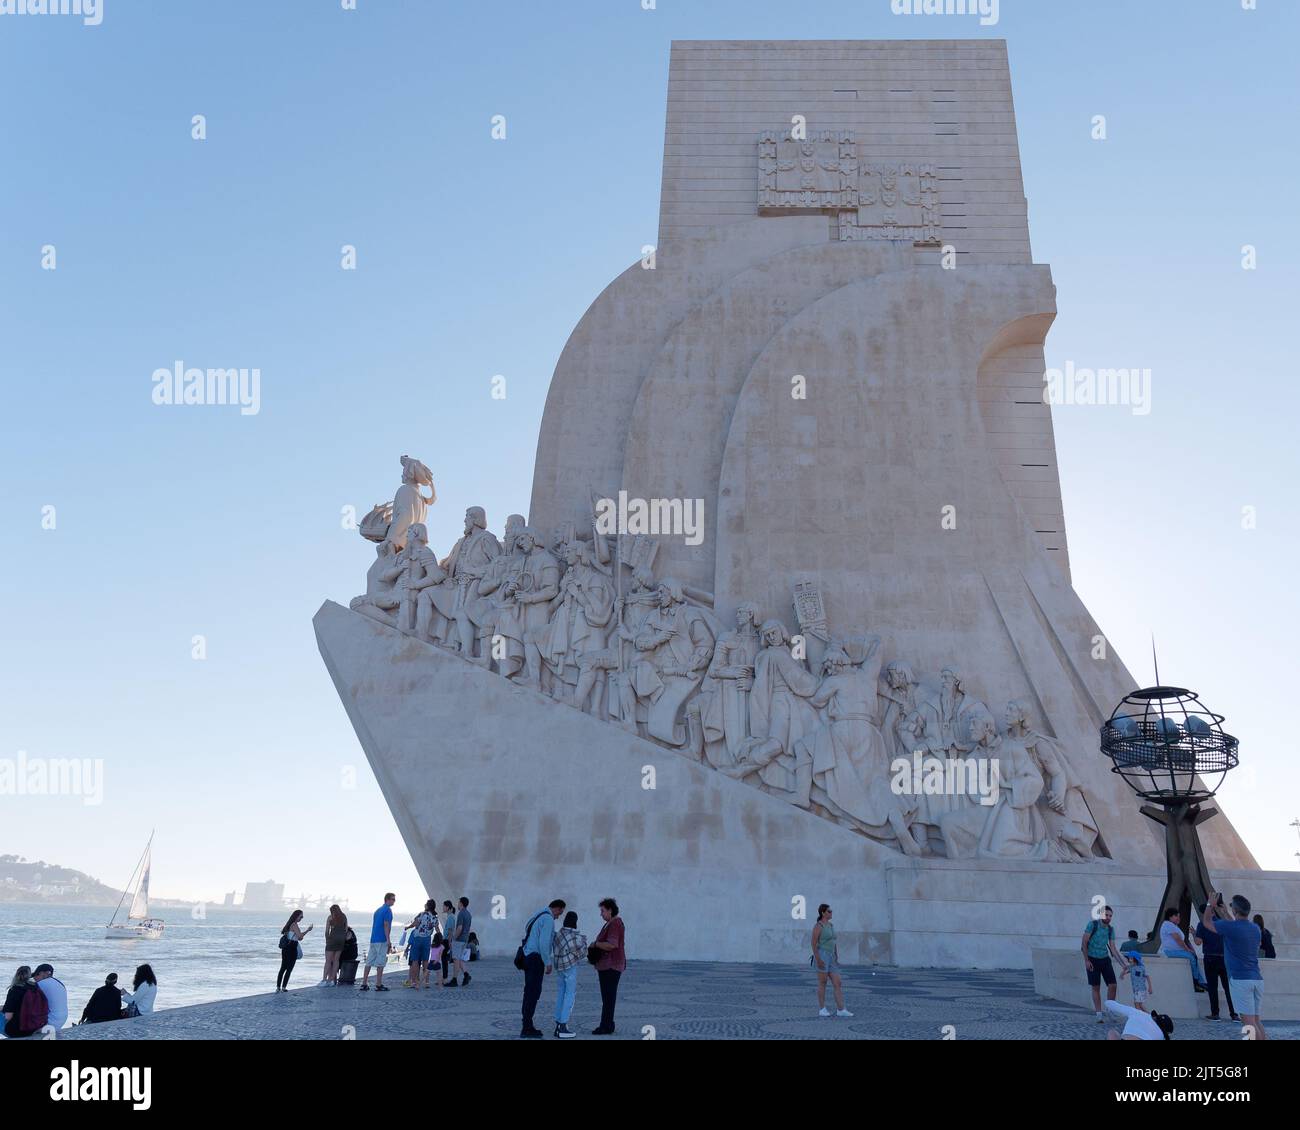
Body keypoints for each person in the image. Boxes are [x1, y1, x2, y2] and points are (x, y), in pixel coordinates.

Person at [1201, 893, 1266, 1041]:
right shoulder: (1255, 928)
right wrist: (1225, 913)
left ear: (1235, 911)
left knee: (1248, 1024)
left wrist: (1210, 905)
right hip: (1257, 979)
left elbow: (1206, 922)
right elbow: (1235, 927)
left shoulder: (1230, 927)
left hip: (1241, 981)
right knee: (1256, 1021)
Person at [519, 899, 566, 1039]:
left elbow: (527, 928)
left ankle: (527, 1024)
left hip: (528, 957)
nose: (558, 916)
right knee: (533, 992)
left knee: (528, 992)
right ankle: (527, 1028)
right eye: (560, 913)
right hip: (535, 959)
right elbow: (544, 942)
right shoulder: (548, 919)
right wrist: (548, 962)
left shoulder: (538, 915)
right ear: (557, 908)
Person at [1081, 906, 1128, 1022]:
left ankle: (1110, 1011)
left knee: (1113, 985)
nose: (1108, 918)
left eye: (1110, 916)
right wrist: (1086, 960)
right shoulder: (1092, 925)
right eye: (1106, 915)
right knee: (1096, 986)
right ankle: (1098, 1013)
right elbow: (1084, 942)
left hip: (1104, 959)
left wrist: (1123, 964)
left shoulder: (1111, 930)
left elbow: (1113, 948)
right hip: (1092, 959)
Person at [1194, 900, 1238, 1023]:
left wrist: (1194, 934)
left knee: (1213, 987)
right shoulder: (1221, 923)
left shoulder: (1202, 925)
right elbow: (1233, 925)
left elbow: (1198, 942)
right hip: (1224, 958)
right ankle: (1234, 1014)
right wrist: (1225, 911)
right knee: (1228, 988)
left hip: (1210, 958)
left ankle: (1215, 1014)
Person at [591, 897, 626, 1036]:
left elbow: (612, 944)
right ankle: (608, 1024)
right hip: (608, 966)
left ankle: (605, 1026)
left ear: (610, 910)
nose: (601, 914)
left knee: (608, 997)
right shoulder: (610, 923)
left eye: (603, 911)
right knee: (608, 997)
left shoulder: (615, 923)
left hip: (611, 965)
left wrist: (595, 944)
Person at [811, 904, 853, 1018]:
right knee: (823, 982)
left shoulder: (830, 925)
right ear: (823, 913)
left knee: (837, 982)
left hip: (832, 957)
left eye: (831, 911)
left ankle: (841, 1009)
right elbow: (813, 943)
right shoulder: (818, 926)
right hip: (822, 955)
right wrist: (818, 959)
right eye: (829, 911)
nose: (831, 913)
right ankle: (822, 1009)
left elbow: (833, 941)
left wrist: (836, 955)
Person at [552, 910, 588, 1039]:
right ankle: (563, 1026)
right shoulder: (574, 936)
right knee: (570, 996)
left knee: (561, 993)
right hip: (570, 967)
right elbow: (584, 952)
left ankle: (558, 1025)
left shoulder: (559, 934)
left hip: (559, 968)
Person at [1158, 908, 1206, 991]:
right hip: (1170, 952)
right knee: (1192, 957)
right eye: (1176, 916)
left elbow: (1181, 940)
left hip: (1176, 951)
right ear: (1170, 917)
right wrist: (1187, 949)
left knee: (1193, 956)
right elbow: (1178, 939)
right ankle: (1196, 982)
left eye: (1179, 916)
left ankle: (1201, 981)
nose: (1178, 918)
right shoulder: (1168, 925)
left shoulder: (1172, 926)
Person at [361, 892, 396, 991]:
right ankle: (379, 984)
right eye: (393, 899)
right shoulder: (388, 910)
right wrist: (388, 940)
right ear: (387, 899)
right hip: (381, 939)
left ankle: (364, 983)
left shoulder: (378, 910)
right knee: (381, 962)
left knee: (369, 961)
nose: (394, 902)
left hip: (373, 939)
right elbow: (386, 925)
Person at [405, 900, 439, 989]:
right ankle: (426, 982)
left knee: (415, 961)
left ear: (427, 906)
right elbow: (437, 929)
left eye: (425, 904)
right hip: (427, 940)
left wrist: (408, 927)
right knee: (425, 961)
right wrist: (441, 939)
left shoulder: (422, 914)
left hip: (417, 939)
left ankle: (416, 981)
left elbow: (415, 923)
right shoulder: (435, 918)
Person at [3, 966, 44, 1038]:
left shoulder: (14, 990)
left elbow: (8, 1016)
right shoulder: (35, 988)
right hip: (35, 1027)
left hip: (17, 1030)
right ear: (30, 975)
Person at [1103, 999, 1174, 1041]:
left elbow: (1111, 1004)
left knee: (1112, 1032)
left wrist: (1107, 1001)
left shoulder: (1137, 1012)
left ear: (1155, 1017)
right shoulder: (1160, 1035)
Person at [277, 909, 312, 992]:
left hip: (286, 948)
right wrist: (308, 930)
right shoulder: (294, 925)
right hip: (292, 948)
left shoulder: (289, 924)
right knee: (289, 968)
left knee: (283, 968)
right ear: (296, 916)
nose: (301, 918)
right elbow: (300, 937)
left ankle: (278, 987)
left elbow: (298, 937)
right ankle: (283, 987)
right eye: (301, 916)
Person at [33, 964, 68, 1032]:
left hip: (49, 1024)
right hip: (61, 1021)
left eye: (36, 976)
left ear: (42, 973)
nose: (35, 979)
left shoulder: (40, 984)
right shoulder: (59, 983)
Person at [321, 905, 348, 986]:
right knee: (336, 960)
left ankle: (324, 980)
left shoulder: (330, 917)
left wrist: (327, 941)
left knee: (328, 961)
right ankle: (332, 981)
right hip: (341, 940)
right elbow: (346, 929)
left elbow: (326, 931)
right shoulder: (344, 917)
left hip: (332, 940)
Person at [450, 896, 473, 988]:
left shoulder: (461, 914)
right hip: (465, 939)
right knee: (459, 959)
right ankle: (466, 975)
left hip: (459, 940)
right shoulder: (468, 914)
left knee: (455, 959)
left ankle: (454, 980)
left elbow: (459, 928)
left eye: (458, 902)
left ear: (461, 903)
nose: (457, 904)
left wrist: (454, 939)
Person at [439, 901, 457, 985]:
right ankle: (444, 978)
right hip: (447, 940)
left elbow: (450, 931)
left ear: (448, 907)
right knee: (444, 960)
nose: (443, 908)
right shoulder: (451, 916)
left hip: (446, 941)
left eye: (444, 906)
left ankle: (444, 979)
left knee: (444, 960)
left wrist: (449, 942)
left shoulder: (450, 917)